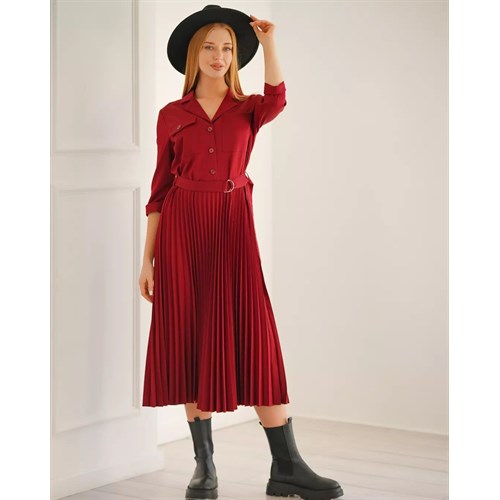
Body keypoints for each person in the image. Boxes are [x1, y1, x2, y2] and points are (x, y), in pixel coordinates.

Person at [138, 5, 344, 500]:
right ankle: (204, 467)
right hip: (183, 229)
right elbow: (159, 189)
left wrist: (268, 43)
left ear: (235, 57)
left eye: (227, 48)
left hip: (233, 228)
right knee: (190, 336)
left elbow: (278, 96)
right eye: (210, 47)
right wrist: (147, 259)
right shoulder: (172, 115)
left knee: (256, 335)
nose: (219, 56)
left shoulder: (248, 107)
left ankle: (287, 466)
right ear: (194, 54)